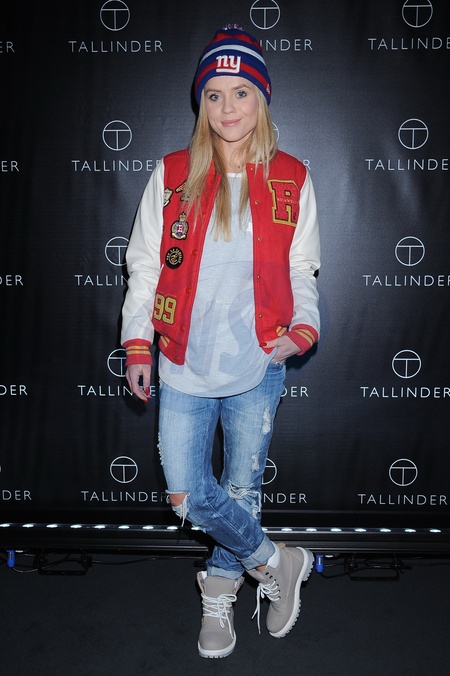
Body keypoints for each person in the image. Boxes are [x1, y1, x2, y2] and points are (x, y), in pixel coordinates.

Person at [121, 25, 320, 659]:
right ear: (200, 102)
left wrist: (303, 328)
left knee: (241, 487)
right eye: (214, 94)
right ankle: (275, 561)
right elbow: (145, 267)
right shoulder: (173, 174)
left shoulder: (292, 177)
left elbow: (302, 267)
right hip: (183, 357)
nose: (227, 107)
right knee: (186, 493)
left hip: (258, 359)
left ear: (262, 99)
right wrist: (137, 343)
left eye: (241, 92)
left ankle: (221, 591)